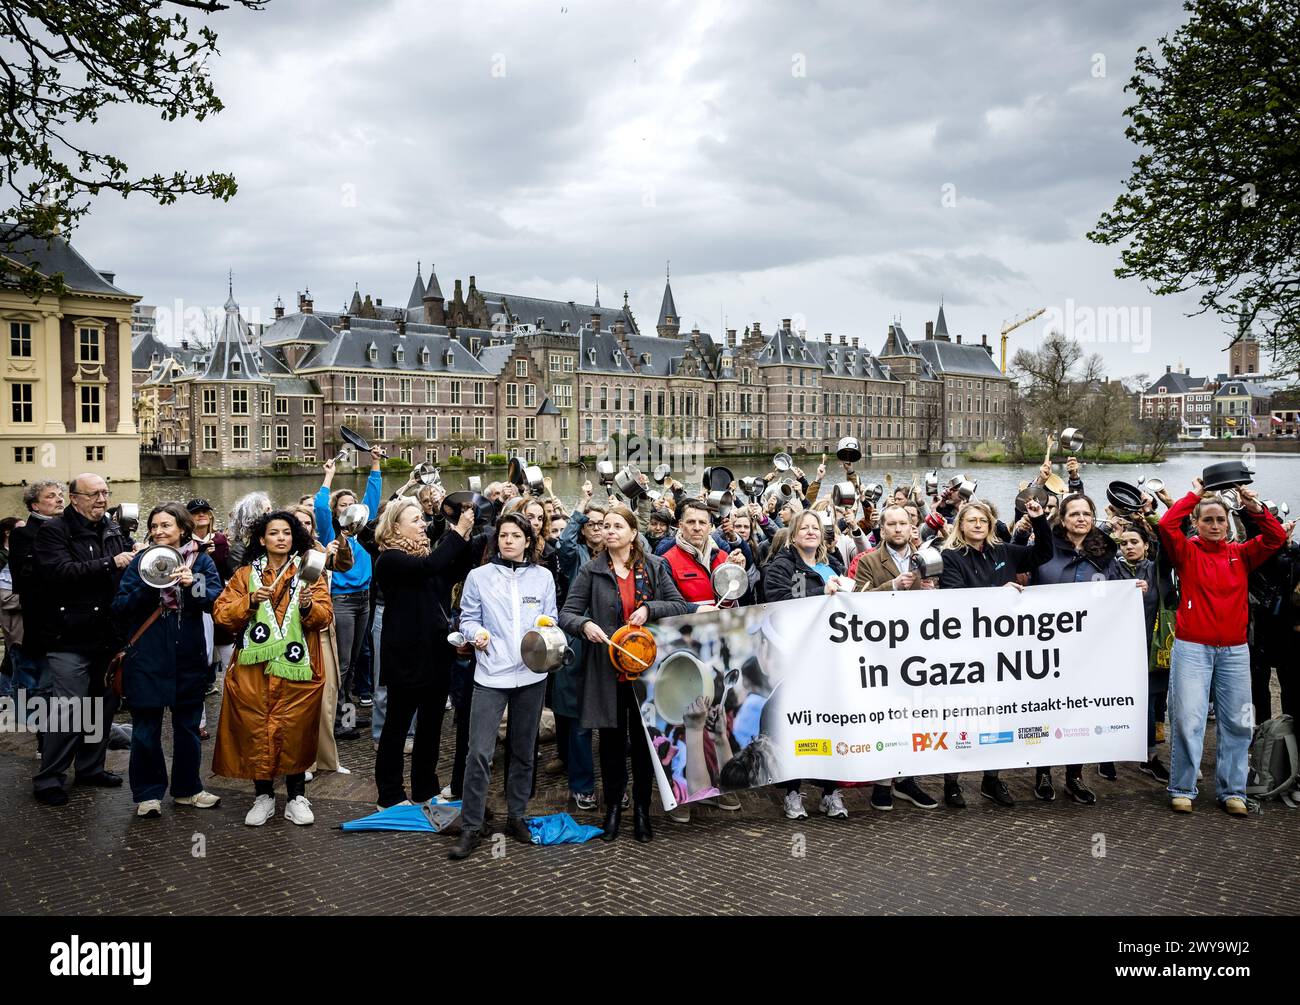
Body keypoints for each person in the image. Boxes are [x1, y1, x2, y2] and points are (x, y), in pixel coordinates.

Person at [560, 503, 691, 842]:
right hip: (606, 669)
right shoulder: (592, 570)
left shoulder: (655, 566)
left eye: (618, 526)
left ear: (633, 533)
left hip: (647, 670)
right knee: (612, 742)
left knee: (647, 742)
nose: (610, 531)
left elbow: (680, 605)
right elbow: (567, 613)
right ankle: (615, 808)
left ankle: (644, 811)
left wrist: (649, 608)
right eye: (606, 526)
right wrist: (585, 624)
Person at [1158, 480, 1285, 816]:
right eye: (1207, 520)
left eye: (1220, 521)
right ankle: (1183, 788)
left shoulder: (1240, 554)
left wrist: (1254, 508)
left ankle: (1233, 791)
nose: (1215, 526)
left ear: (1228, 524)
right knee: (1187, 719)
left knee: (1238, 723)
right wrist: (1194, 495)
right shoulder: (1186, 552)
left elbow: (1276, 538)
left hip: (1234, 650)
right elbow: (1165, 524)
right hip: (1192, 648)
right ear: (1196, 524)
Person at [212, 511, 334, 826]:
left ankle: (296, 797)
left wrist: (307, 604)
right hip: (254, 668)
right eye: (273, 533)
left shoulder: (309, 573)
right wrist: (250, 600)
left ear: (295, 538)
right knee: (256, 730)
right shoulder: (243, 575)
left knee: (295, 730)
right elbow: (222, 616)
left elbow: (324, 617)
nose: (281, 538)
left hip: (297, 666)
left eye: (286, 533)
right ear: (262, 539)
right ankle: (263, 796)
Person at [447, 513, 557, 860]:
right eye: (503, 535)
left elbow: (550, 618)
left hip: (531, 676)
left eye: (515, 536)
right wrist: (474, 634)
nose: (508, 541)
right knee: (478, 752)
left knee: (523, 750)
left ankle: (517, 816)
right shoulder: (479, 576)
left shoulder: (543, 577)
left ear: (528, 541)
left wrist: (546, 626)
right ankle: (471, 825)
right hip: (490, 675)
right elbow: (467, 618)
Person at [111, 503, 224, 818]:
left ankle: (188, 790)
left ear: (183, 529)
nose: (159, 531)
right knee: (146, 727)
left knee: (187, 727)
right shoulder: (139, 563)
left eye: (166, 525)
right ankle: (148, 794)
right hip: (148, 653)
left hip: (187, 652)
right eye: (154, 526)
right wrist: (150, 584)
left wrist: (193, 585)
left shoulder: (201, 561)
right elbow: (120, 608)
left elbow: (214, 602)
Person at [937, 496, 1051, 808]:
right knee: (960, 718)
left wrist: (1039, 520)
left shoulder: (1004, 552)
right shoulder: (951, 557)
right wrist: (996, 596)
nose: (977, 525)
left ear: (990, 525)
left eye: (983, 521)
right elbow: (954, 599)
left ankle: (991, 779)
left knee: (997, 717)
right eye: (971, 520)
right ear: (961, 524)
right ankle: (952, 782)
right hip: (965, 652)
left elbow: (1043, 553)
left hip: (1002, 651)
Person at [30, 474, 134, 806]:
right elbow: (59, 573)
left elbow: (123, 575)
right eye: (94, 494)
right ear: (74, 498)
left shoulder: (113, 528)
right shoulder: (53, 531)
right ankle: (49, 778)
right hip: (68, 636)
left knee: (102, 708)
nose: (102, 499)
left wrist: (139, 556)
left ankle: (90, 768)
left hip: (107, 636)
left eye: (105, 493)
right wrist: (111, 562)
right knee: (69, 709)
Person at [372, 498, 471, 810]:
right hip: (405, 654)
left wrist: (468, 534)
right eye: (415, 520)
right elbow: (429, 567)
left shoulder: (429, 557)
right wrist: (457, 532)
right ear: (395, 526)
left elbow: (456, 567)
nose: (423, 524)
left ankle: (425, 789)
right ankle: (388, 795)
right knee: (397, 725)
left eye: (422, 519)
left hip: (437, 651)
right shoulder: (390, 560)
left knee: (430, 726)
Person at [1029, 493, 1121, 804]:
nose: (1081, 518)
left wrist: (1133, 589)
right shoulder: (1045, 548)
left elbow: (1115, 592)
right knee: (1045, 709)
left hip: (1087, 647)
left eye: (1086, 513)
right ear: (1063, 519)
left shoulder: (1107, 552)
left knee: (1079, 710)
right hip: (1046, 645)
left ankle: (1074, 776)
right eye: (1074, 514)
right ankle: (1042, 772)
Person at [851, 503, 940, 811]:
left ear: (911, 525)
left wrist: (932, 591)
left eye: (904, 523)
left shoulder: (926, 557)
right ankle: (882, 782)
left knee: (915, 716)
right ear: (883, 528)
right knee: (886, 716)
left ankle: (907, 779)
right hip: (882, 653)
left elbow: (945, 598)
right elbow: (857, 600)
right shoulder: (868, 560)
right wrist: (891, 586)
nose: (899, 528)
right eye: (892, 524)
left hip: (919, 649)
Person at [762, 508, 849, 819]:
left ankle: (830, 792)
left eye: (816, 527)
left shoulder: (833, 564)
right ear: (794, 534)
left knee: (831, 723)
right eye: (805, 528)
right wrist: (818, 592)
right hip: (795, 659)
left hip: (830, 656)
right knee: (798, 724)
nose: (811, 532)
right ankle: (793, 792)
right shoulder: (782, 566)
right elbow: (778, 599)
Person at [286, 504, 353, 777]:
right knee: (300, 697)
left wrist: (342, 541)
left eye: (308, 523)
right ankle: (303, 762)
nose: (304, 527)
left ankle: (327, 758)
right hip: (292, 633)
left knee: (328, 692)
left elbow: (345, 565)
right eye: (298, 523)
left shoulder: (317, 550)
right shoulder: (280, 555)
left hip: (323, 629)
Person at [315, 447, 383, 708]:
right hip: (341, 600)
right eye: (343, 505)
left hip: (364, 598)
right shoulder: (328, 532)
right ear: (336, 511)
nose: (348, 508)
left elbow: (373, 497)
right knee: (341, 662)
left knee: (354, 659)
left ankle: (347, 711)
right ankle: (335, 716)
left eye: (352, 505)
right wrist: (329, 476)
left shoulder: (363, 531)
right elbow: (320, 505)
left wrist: (375, 462)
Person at [1108, 522, 1168, 783]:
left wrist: (1151, 519)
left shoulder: (1156, 570)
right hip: (1117, 649)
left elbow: (1170, 543)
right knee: (1112, 701)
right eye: (1124, 543)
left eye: (1134, 542)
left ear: (1146, 545)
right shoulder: (1112, 569)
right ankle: (1106, 757)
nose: (1129, 547)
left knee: (1149, 703)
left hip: (1149, 648)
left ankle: (1150, 757)